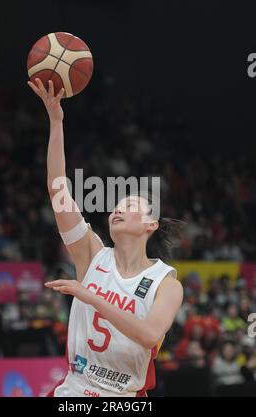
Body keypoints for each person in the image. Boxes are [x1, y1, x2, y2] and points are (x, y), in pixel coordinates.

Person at [28, 78, 184, 397]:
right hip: (75, 389)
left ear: (150, 224)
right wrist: (56, 122)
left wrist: (91, 296)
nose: (117, 209)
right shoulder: (92, 255)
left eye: (129, 205)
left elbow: (150, 335)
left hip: (124, 396)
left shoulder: (166, 283)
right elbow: (58, 190)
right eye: (116, 206)